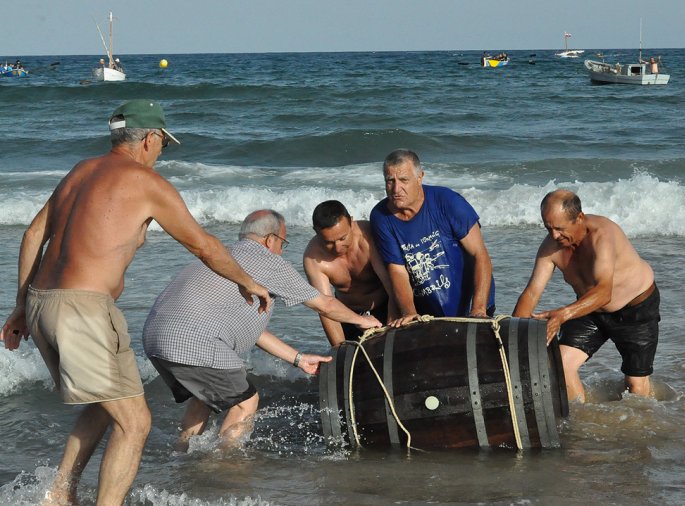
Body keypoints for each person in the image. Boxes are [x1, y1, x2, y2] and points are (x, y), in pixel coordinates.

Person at [0, 99, 271, 505]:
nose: (161, 153)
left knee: (105, 404)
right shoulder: (146, 183)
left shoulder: (80, 171)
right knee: (135, 422)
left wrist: (21, 305)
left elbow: (33, 235)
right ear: (149, 138)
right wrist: (248, 281)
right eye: (162, 143)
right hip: (83, 311)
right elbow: (203, 245)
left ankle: (60, 492)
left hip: (43, 304)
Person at [143, 209, 381, 450]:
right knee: (246, 402)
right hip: (194, 341)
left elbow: (254, 332)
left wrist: (298, 359)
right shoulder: (267, 261)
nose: (281, 251)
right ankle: (224, 468)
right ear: (271, 240)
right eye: (283, 244)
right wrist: (361, 321)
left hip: (155, 337)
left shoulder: (223, 258)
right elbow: (325, 304)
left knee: (203, 397)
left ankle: (182, 453)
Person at [512, 189, 660, 403]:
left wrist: (562, 315)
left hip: (635, 310)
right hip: (590, 310)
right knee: (561, 365)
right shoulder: (551, 246)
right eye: (548, 228)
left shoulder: (603, 235)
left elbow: (604, 293)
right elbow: (532, 292)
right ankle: (579, 420)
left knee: (635, 387)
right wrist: (513, 335)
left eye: (560, 228)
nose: (554, 236)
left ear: (579, 218)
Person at [369, 149, 495, 327]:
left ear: (420, 177)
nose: (396, 189)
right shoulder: (381, 217)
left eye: (404, 180)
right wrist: (409, 312)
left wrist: (479, 310)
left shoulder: (448, 201)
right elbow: (397, 271)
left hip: (473, 306)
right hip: (428, 317)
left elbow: (480, 255)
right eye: (390, 181)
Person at [303, 200, 398, 345]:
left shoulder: (368, 236)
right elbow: (325, 308)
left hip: (386, 307)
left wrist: (391, 331)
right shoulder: (313, 258)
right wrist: (340, 350)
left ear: (351, 222)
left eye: (342, 238)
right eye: (329, 242)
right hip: (347, 315)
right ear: (316, 231)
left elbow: (392, 287)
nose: (337, 247)